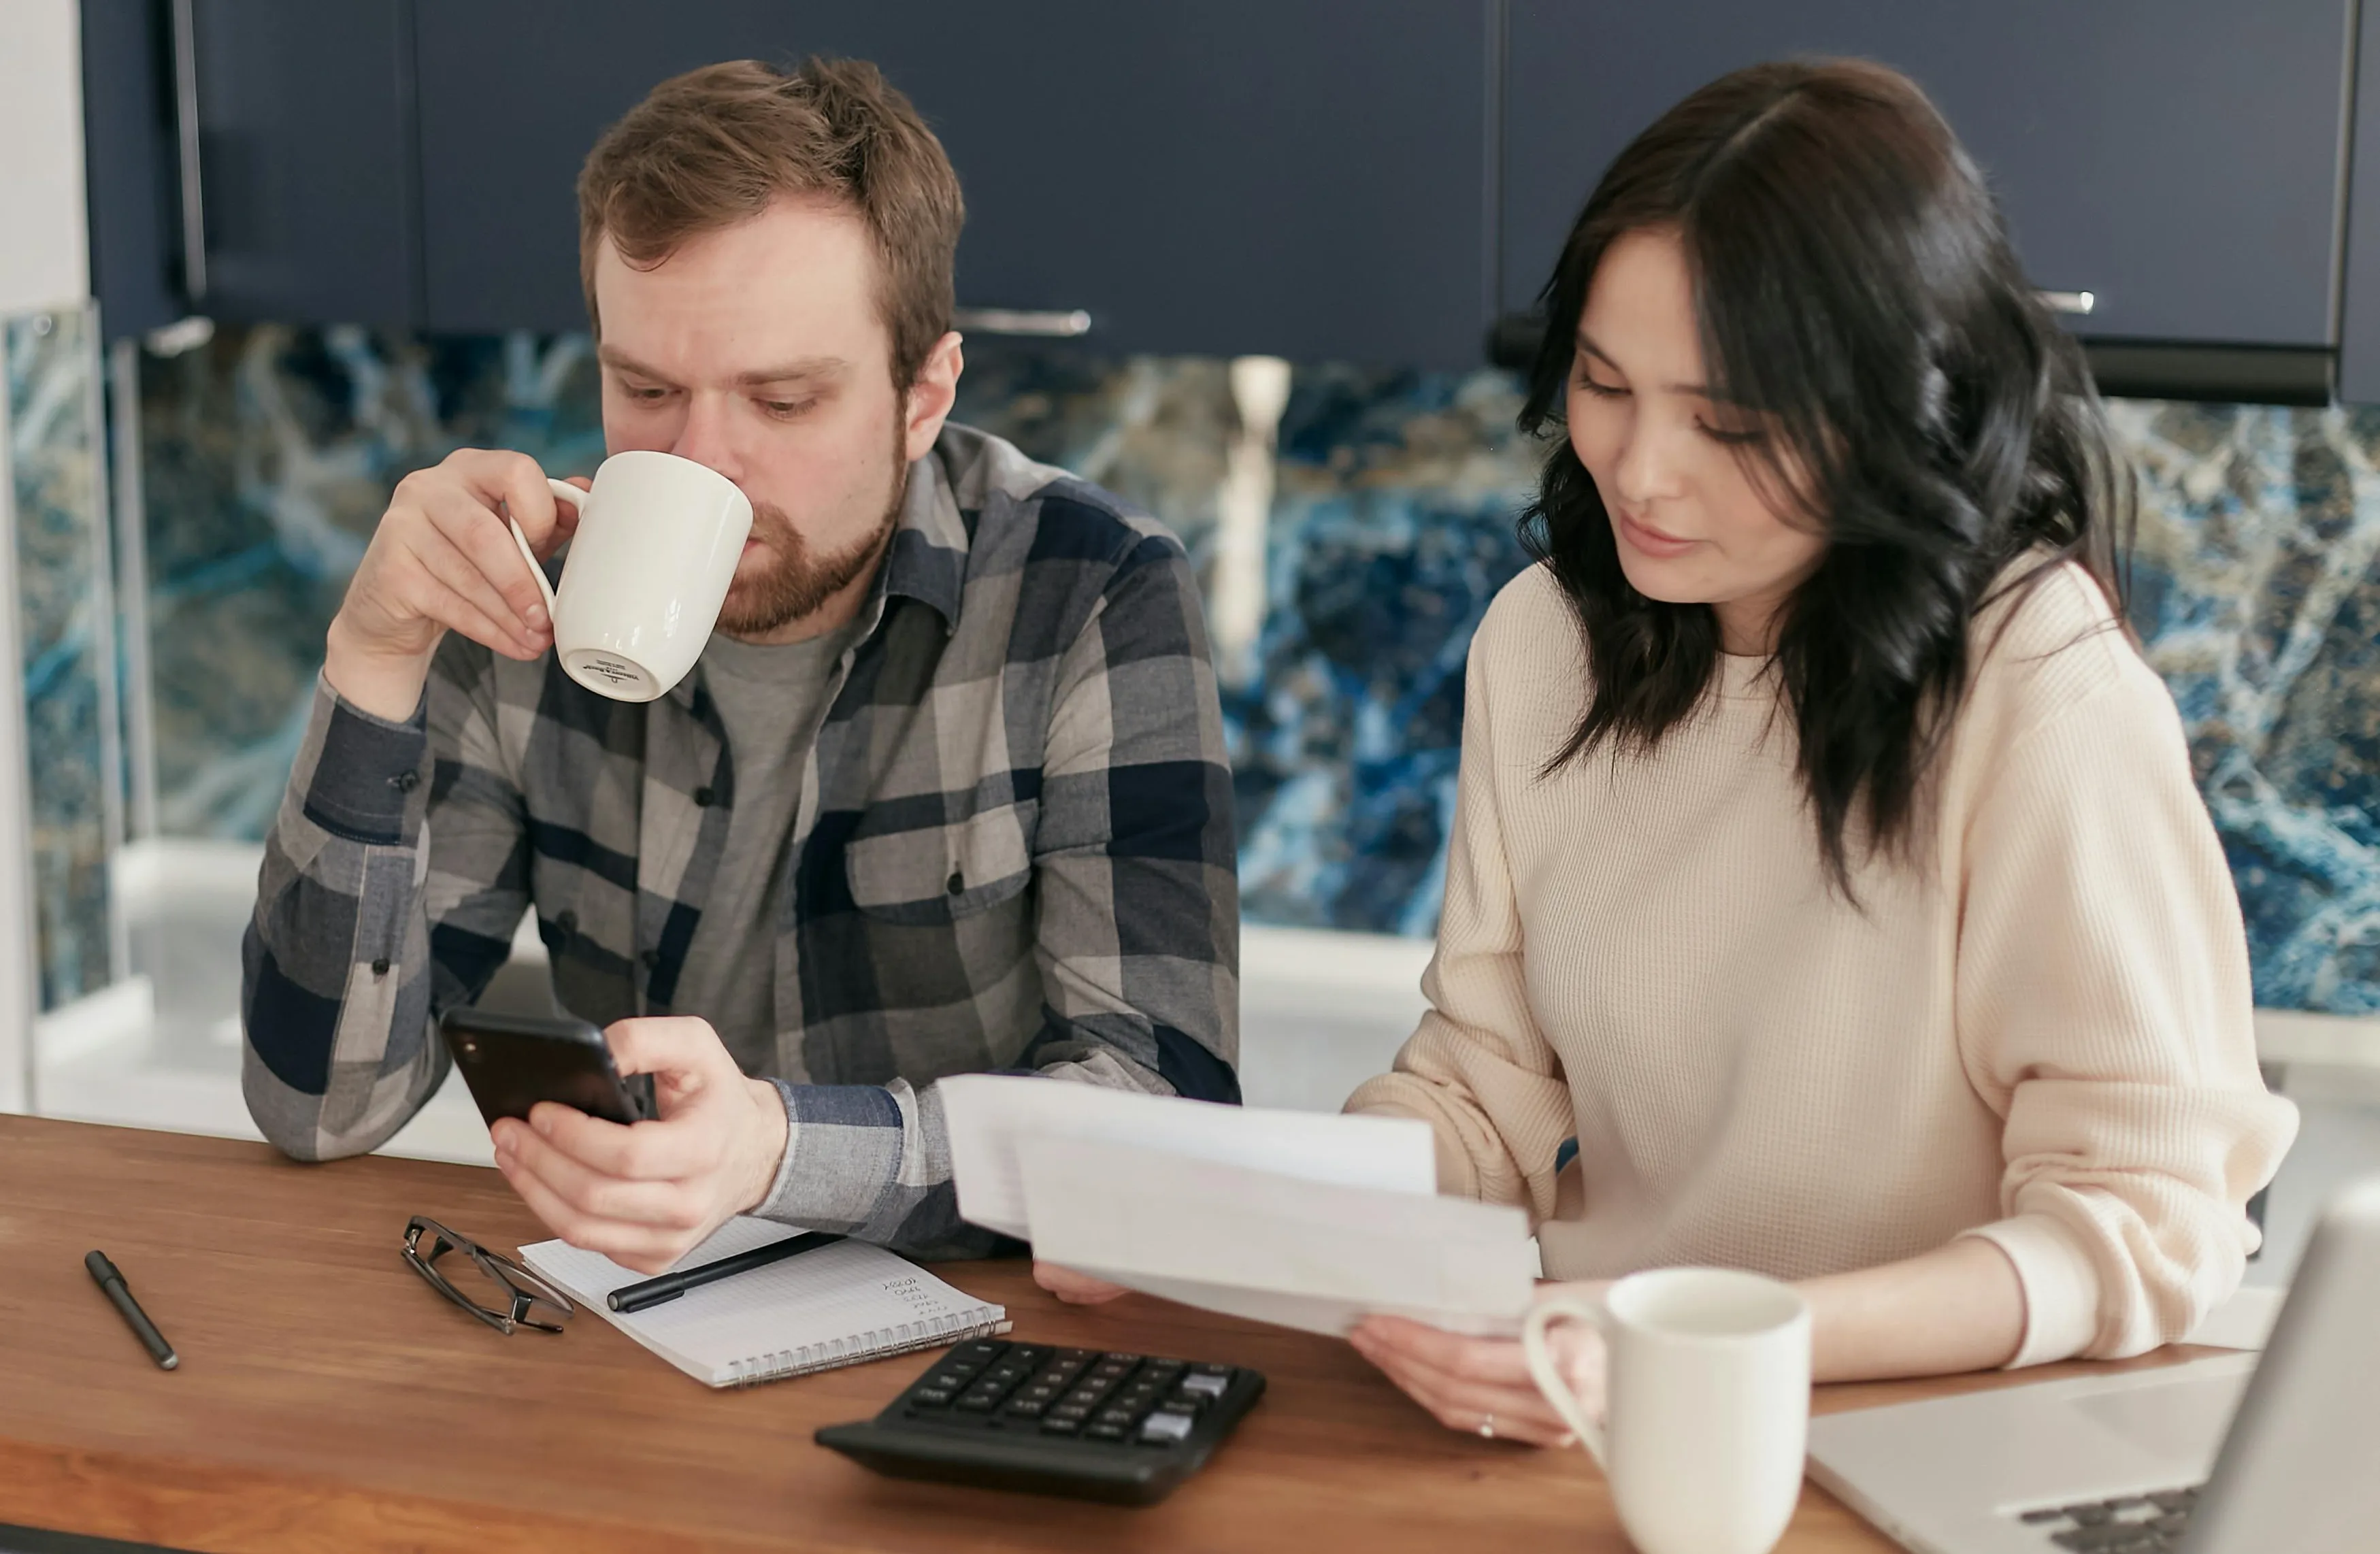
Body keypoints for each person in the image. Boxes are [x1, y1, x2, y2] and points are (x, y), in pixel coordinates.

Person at [1048, 57, 2297, 1440]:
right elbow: (1482, 1096)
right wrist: (1232, 1215)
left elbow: (2148, 1219)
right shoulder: (1545, 642)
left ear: (1898, 402)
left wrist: (1702, 1344)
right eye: (1602, 381)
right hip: (1602, 1415)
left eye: (1731, 423)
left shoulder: (2040, 684)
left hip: (1926, 1440)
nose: (1640, 470)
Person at [241, 58, 1238, 1273]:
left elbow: (1165, 1125)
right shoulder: (523, 590)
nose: (702, 461)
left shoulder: (1089, 592)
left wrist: (774, 1153)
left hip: (966, 1328)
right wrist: (375, 658)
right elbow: (318, 1106)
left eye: (782, 399)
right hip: (636, 1319)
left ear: (923, 396)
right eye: (646, 388)